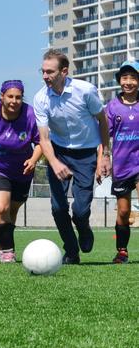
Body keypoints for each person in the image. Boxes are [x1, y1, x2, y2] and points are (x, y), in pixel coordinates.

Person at [33, 49, 111, 264]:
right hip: (58, 152)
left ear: (64, 71)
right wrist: (55, 161)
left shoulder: (85, 91)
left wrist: (105, 154)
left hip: (86, 155)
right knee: (58, 208)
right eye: (43, 71)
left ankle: (84, 228)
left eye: (50, 72)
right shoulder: (40, 98)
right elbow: (44, 139)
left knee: (79, 210)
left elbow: (102, 121)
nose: (45, 76)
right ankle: (71, 251)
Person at [0, 80, 42, 263]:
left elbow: (41, 143)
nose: (14, 101)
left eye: (18, 97)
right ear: (2, 96)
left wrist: (34, 160)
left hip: (21, 170)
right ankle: (7, 251)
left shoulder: (31, 115)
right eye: (10, 96)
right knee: (2, 206)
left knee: (11, 211)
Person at [105, 60, 139, 264]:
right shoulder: (112, 107)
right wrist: (103, 159)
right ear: (119, 81)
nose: (129, 82)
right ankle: (122, 251)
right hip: (121, 166)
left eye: (133, 77)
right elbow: (103, 137)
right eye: (125, 78)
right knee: (124, 211)